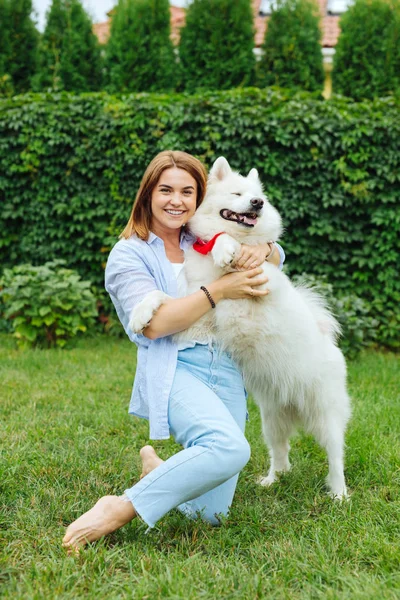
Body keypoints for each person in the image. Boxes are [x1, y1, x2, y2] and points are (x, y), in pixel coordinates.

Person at [62, 151, 285, 550]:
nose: (176, 201)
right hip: (176, 366)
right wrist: (219, 289)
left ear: (200, 197)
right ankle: (120, 507)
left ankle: (159, 471)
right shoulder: (129, 253)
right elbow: (156, 323)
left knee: (210, 514)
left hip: (227, 366)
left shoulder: (201, 235)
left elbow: (274, 253)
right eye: (165, 190)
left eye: (187, 191)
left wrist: (266, 249)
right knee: (230, 448)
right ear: (148, 194)